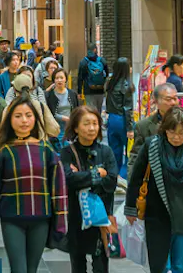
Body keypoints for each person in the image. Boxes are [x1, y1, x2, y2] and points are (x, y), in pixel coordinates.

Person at [124, 107, 183, 273]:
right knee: (161, 265)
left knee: (181, 267)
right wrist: (131, 208)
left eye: (182, 133)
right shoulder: (152, 147)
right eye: (172, 131)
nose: (176, 137)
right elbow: (136, 178)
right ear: (164, 129)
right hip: (158, 217)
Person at [0, 96, 68, 273]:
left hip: (41, 219)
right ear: (9, 120)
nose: (24, 120)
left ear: (36, 119)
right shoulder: (1, 152)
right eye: (18, 116)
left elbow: (58, 190)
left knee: (31, 270)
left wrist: (61, 221)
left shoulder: (47, 150)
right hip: (12, 219)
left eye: (28, 115)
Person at [60, 105, 117, 273]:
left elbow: (112, 182)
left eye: (95, 123)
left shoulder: (105, 152)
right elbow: (68, 179)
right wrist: (97, 174)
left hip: (101, 217)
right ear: (76, 127)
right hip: (77, 217)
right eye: (86, 123)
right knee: (77, 264)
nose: (92, 128)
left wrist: (83, 177)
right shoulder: (67, 152)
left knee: (101, 265)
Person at [128, 82, 178, 170]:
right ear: (156, 101)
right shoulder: (143, 126)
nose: (173, 102)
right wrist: (132, 181)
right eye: (168, 99)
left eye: (175, 98)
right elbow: (136, 158)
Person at [4, 70, 60, 140]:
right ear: (31, 89)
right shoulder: (39, 105)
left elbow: (3, 130)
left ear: (14, 90)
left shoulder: (9, 107)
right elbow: (55, 129)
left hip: (14, 146)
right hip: (39, 146)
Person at [104, 58, 135, 178]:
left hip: (112, 119)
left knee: (114, 150)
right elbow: (127, 109)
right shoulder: (126, 85)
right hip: (122, 120)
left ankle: (114, 176)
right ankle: (124, 178)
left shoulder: (110, 83)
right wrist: (130, 128)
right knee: (128, 151)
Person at [45, 68, 80, 147]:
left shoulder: (72, 93)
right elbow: (48, 113)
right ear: (54, 80)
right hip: (55, 127)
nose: (59, 80)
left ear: (65, 79)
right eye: (57, 78)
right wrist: (63, 118)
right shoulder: (49, 95)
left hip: (70, 126)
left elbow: (77, 110)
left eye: (61, 78)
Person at [76, 44, 109, 111]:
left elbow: (80, 78)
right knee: (99, 110)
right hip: (100, 90)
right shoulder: (102, 60)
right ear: (95, 50)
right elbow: (107, 74)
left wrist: (79, 91)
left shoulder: (83, 62)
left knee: (91, 110)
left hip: (88, 90)